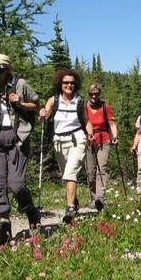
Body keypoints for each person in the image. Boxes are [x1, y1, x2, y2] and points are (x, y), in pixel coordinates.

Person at [0, 53, 40, 246]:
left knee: (16, 185)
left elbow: (36, 104)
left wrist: (20, 103)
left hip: (17, 139)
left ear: (7, 69)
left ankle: (31, 211)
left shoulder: (20, 85)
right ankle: (4, 227)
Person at [39, 68, 86, 224]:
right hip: (59, 141)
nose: (69, 85)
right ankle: (74, 200)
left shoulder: (80, 101)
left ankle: (70, 209)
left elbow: (87, 121)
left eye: (72, 82)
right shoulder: (54, 100)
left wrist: (91, 134)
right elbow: (45, 116)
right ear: (60, 84)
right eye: (66, 82)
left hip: (77, 139)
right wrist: (42, 114)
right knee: (66, 174)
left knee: (70, 173)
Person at [84, 83, 119, 211]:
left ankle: (100, 199)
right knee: (90, 173)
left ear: (99, 94)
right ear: (88, 94)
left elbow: (112, 123)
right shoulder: (84, 107)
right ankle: (94, 198)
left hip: (104, 140)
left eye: (96, 93)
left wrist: (115, 136)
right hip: (88, 142)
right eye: (91, 94)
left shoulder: (105, 106)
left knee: (102, 169)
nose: (94, 96)